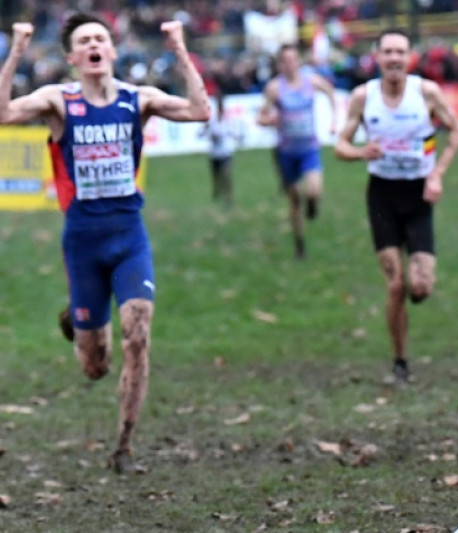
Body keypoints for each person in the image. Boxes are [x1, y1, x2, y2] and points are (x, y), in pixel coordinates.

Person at [0, 14, 210, 473]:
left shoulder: (139, 100)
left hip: (129, 237)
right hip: (82, 244)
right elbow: (3, 114)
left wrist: (178, 49)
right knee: (95, 366)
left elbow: (200, 111)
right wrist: (16, 50)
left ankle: (124, 447)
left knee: (138, 336)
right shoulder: (60, 101)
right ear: (73, 58)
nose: (94, 45)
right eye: (84, 41)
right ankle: (79, 321)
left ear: (112, 51)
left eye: (101, 38)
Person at [334, 29, 458, 381]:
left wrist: (437, 174)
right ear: (376, 56)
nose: (394, 58)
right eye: (387, 51)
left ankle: (415, 293)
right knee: (395, 285)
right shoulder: (364, 97)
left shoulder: (425, 92)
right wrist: (362, 151)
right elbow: (340, 145)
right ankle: (400, 361)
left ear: (410, 57)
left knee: (420, 286)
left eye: (400, 52)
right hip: (382, 195)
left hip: (419, 194)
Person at [257, 44, 338, 259]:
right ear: (280, 64)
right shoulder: (275, 88)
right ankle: (299, 244)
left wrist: (334, 121)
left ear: (298, 61)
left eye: (293, 59)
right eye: (285, 60)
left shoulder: (310, 81)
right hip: (286, 152)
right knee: (294, 202)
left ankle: (313, 205)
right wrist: (270, 120)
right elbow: (260, 117)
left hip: (309, 149)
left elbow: (331, 93)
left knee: (313, 191)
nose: (290, 64)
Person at [199, 94, 242, 207]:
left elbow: (234, 133)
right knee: (216, 176)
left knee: (226, 175)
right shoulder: (212, 121)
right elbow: (201, 133)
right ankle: (217, 192)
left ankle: (229, 197)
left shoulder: (228, 121)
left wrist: (236, 138)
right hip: (215, 154)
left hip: (225, 153)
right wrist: (209, 135)